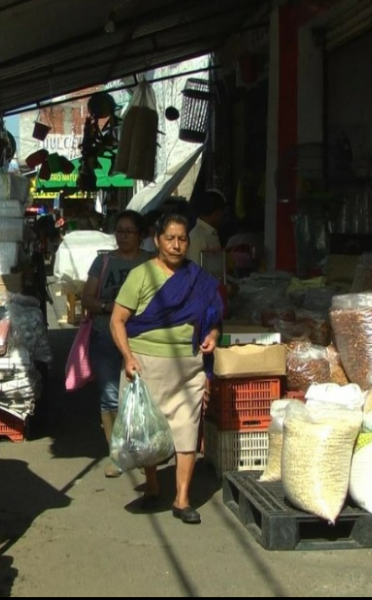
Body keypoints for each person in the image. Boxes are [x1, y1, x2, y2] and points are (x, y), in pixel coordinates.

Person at [110, 214, 222, 525]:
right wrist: (128, 356)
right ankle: (154, 485)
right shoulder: (141, 275)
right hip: (146, 367)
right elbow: (117, 321)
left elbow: (213, 319)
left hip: (188, 368)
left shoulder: (198, 279)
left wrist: (212, 336)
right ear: (157, 240)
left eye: (182, 239)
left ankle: (182, 498)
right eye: (170, 238)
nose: (176, 245)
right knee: (149, 432)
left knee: (187, 427)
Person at [80, 211, 151, 478]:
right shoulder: (103, 262)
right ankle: (117, 454)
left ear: (140, 235)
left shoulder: (150, 262)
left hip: (142, 338)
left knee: (142, 396)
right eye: (119, 231)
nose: (122, 236)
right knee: (110, 396)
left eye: (128, 231)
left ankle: (145, 455)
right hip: (106, 334)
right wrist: (111, 307)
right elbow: (87, 298)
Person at [186, 190, 225, 266]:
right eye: (222, 213)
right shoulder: (198, 237)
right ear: (217, 213)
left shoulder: (210, 233)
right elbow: (196, 271)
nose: (223, 217)